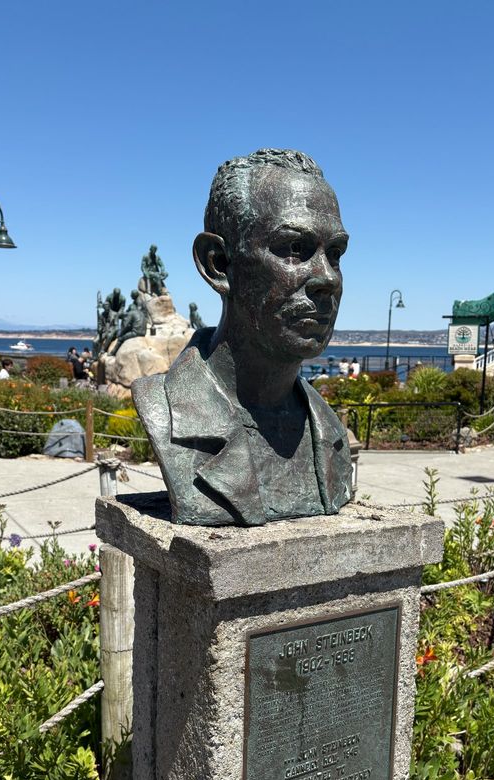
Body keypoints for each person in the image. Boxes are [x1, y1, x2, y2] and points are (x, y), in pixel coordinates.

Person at [132, 148, 352, 526]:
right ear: (218, 264)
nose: (328, 278)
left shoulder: (329, 432)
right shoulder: (163, 411)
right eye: (294, 249)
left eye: (334, 253)